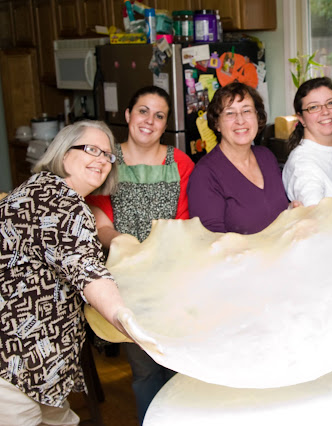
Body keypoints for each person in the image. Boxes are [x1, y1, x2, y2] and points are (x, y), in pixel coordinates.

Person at [0, 121, 135, 425]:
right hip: (14, 365)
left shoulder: (39, 187)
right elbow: (89, 274)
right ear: (63, 154)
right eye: (91, 149)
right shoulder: (64, 204)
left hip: (40, 368)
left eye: (107, 155)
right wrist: (130, 323)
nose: (102, 160)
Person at [86, 85, 194, 424]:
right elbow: (100, 223)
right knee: (145, 368)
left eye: (159, 115)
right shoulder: (107, 161)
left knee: (180, 364)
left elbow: (184, 221)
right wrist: (127, 244)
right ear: (128, 115)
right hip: (127, 279)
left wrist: (160, 253)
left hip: (173, 276)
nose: (149, 120)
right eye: (143, 111)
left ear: (166, 124)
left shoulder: (180, 162)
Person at [188, 82, 289, 234]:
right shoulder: (205, 174)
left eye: (247, 111)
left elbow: (271, 212)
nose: (240, 120)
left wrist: (291, 211)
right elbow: (210, 239)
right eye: (230, 113)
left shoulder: (266, 156)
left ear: (257, 117)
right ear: (217, 123)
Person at [282, 77, 332, 206]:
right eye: (314, 107)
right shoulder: (302, 165)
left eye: (331, 103)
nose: (325, 112)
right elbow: (315, 212)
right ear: (301, 118)